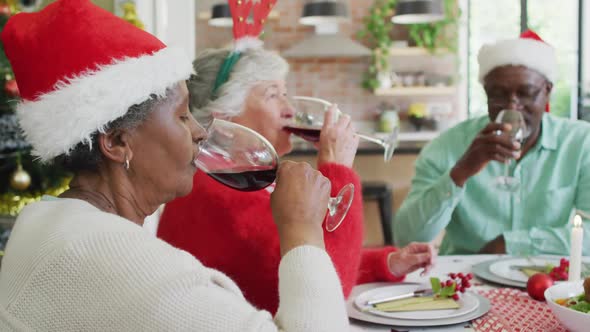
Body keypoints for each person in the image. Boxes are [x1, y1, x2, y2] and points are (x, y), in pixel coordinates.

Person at [0, 0, 351, 330]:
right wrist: (302, 227)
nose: (199, 131)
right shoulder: (121, 264)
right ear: (118, 142)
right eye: (183, 115)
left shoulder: (49, 224)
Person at [157, 18, 435, 315]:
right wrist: (337, 169)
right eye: (272, 95)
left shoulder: (237, 179)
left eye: (285, 94)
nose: (290, 109)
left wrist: (385, 263)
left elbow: (299, 261)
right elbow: (324, 292)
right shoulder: (219, 192)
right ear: (224, 117)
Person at [394, 30, 590, 256]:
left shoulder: (580, 143)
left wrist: (511, 244)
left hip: (547, 280)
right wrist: (460, 173)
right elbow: (406, 238)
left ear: (547, 91)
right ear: (485, 93)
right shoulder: (447, 146)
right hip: (465, 279)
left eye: (526, 93)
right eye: (498, 94)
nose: (512, 107)